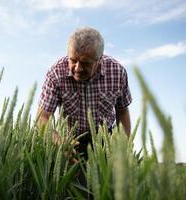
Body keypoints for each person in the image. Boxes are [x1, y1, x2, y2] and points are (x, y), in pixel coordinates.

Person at [37, 27, 132, 160]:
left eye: (85, 63)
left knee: (106, 180)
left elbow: (122, 112)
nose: (77, 68)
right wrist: (59, 142)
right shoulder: (56, 73)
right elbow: (42, 117)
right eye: (73, 60)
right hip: (69, 140)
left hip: (106, 139)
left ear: (99, 60)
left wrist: (123, 146)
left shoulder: (117, 72)